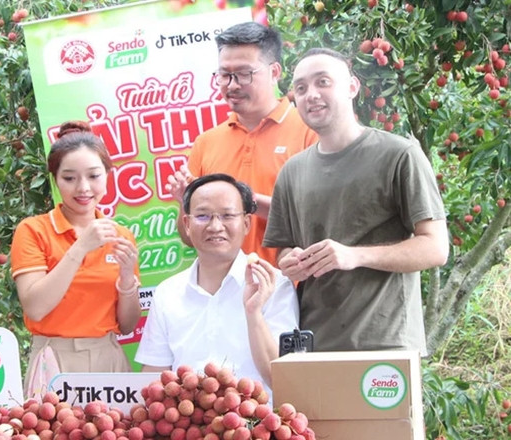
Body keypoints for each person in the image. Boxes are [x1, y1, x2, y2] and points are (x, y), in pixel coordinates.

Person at [263, 48, 450, 355]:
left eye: (323, 82)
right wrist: (291, 262)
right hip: (312, 343)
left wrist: (354, 255)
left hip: (386, 344)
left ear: (352, 87)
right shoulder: (291, 171)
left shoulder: (399, 155)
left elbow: (435, 248)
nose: (311, 95)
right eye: (301, 88)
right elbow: (283, 250)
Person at [166, 22, 318, 266]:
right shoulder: (206, 143)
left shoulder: (309, 132)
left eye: (245, 74)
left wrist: (242, 200)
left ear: (274, 72)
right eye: (224, 75)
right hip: (227, 286)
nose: (232, 85)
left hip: (294, 282)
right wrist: (186, 203)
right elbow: (189, 239)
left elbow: (320, 217)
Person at [10, 121, 142, 395]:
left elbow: (128, 325)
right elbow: (35, 307)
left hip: (109, 359)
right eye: (69, 178)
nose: (83, 188)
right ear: (55, 179)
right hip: (54, 361)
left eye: (93, 176)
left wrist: (127, 279)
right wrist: (80, 248)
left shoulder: (121, 236)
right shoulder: (33, 230)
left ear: (107, 175)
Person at [135, 174, 299, 389]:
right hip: (186, 410)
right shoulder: (167, 292)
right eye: (203, 216)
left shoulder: (274, 286)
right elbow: (154, 376)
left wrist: (254, 313)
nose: (215, 226)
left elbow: (283, 380)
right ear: (187, 224)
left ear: (246, 223)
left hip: (258, 410)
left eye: (227, 215)